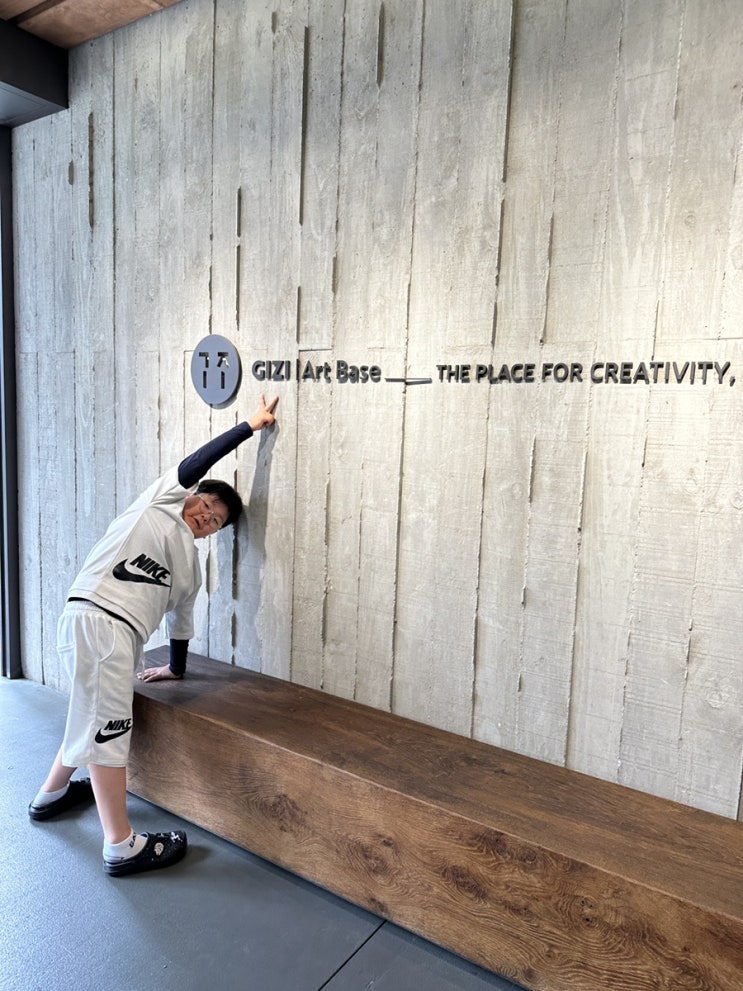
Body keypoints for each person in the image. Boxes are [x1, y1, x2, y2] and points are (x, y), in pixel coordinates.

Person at [28, 395, 279, 877]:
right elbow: (197, 461)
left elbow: (180, 624)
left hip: (105, 632)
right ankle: (121, 845)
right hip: (102, 622)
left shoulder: (190, 570)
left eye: (216, 521)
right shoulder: (159, 503)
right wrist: (249, 426)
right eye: (206, 503)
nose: (206, 516)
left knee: (90, 715)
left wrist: (175, 668)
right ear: (191, 495)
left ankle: (50, 795)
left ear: (213, 534)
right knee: (108, 732)